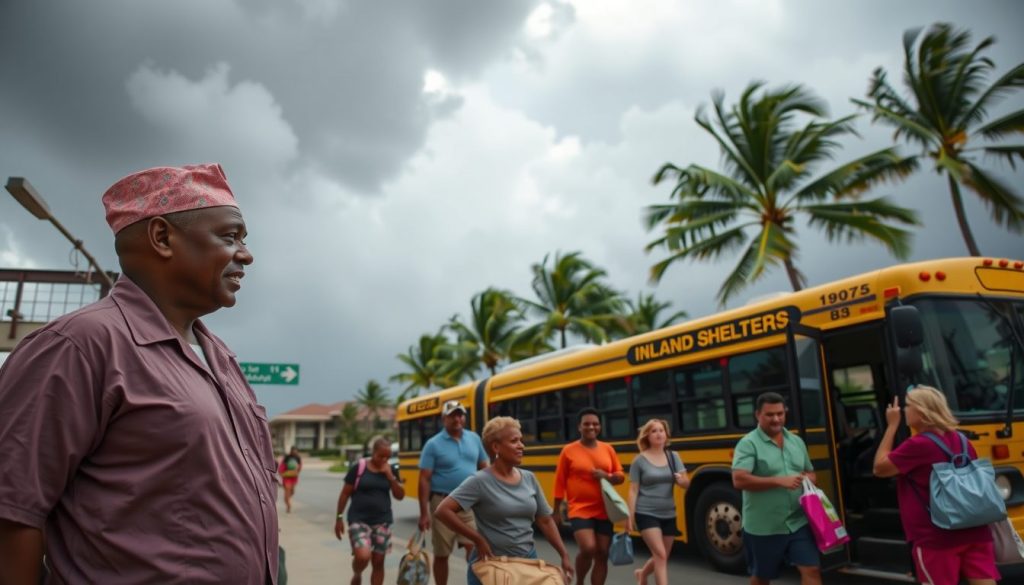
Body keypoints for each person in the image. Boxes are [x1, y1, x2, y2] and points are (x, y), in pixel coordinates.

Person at [0, 164, 277, 584]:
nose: (246, 254)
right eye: (229, 236)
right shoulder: (79, 345)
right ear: (162, 238)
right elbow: (12, 514)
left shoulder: (221, 358)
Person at [873, 385, 1000, 585]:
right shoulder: (963, 440)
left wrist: (891, 426)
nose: (904, 410)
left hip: (936, 537)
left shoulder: (918, 445)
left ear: (922, 412)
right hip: (976, 531)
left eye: (908, 406)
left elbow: (879, 468)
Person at [434, 416, 574, 585]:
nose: (521, 445)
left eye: (521, 440)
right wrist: (478, 539)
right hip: (492, 565)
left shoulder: (529, 479)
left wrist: (564, 555)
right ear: (496, 447)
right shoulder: (479, 481)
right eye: (514, 441)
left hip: (527, 562)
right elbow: (443, 511)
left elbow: (545, 520)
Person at [731, 392, 820, 585]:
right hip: (764, 527)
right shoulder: (748, 444)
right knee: (762, 578)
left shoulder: (797, 442)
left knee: (812, 569)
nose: (776, 419)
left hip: (798, 522)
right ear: (757, 415)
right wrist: (780, 481)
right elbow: (739, 480)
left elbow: (811, 473)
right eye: (770, 415)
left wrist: (808, 479)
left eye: (780, 413)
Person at [417, 400, 489, 585]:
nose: (457, 418)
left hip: (470, 504)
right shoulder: (433, 444)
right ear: (444, 419)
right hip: (442, 504)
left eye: (460, 414)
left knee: (474, 547)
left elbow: (484, 467)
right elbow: (424, 479)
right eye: (452, 415)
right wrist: (424, 513)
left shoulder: (474, 439)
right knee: (442, 555)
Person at [554, 407, 625, 585]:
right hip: (579, 508)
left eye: (595, 424)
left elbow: (620, 476)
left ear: (600, 426)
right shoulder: (568, 451)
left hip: (604, 508)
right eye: (586, 424)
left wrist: (607, 476)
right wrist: (555, 511)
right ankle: (579, 582)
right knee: (588, 548)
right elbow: (559, 481)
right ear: (579, 427)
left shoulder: (608, 449)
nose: (591, 427)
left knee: (602, 553)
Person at [334, 436, 405, 585]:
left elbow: (400, 496)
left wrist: (390, 476)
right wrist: (339, 517)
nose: (384, 460)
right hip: (358, 519)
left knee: (379, 562)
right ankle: (357, 573)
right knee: (362, 556)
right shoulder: (359, 467)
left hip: (382, 521)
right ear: (373, 452)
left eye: (387, 457)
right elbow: (345, 493)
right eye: (380, 456)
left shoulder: (390, 470)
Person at [627, 419, 689, 585]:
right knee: (660, 554)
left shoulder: (673, 457)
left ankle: (642, 574)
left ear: (666, 434)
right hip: (645, 512)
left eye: (661, 430)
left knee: (662, 556)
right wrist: (630, 516)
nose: (658, 434)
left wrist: (681, 480)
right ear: (647, 435)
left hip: (669, 512)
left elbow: (686, 483)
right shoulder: (639, 460)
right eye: (654, 431)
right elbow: (633, 490)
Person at [279, 446, 303, 513]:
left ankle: (287, 499)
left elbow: (300, 467)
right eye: (293, 451)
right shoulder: (287, 458)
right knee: (287, 492)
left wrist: (297, 470)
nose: (295, 452)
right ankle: (288, 505)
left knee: (292, 492)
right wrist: (281, 473)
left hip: (294, 478)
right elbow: (281, 467)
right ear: (291, 451)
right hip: (286, 478)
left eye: (296, 451)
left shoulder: (298, 458)